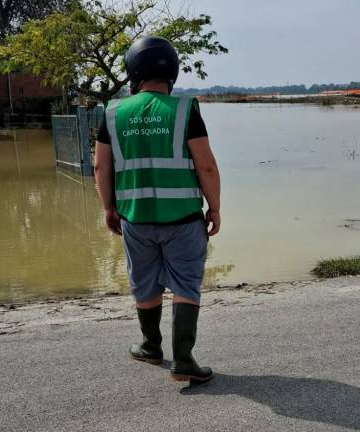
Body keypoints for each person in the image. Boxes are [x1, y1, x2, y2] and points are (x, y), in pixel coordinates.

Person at [94, 35, 221, 384]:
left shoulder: (114, 112)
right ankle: (184, 359)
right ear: (172, 73)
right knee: (185, 283)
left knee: (144, 281)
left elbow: (101, 167)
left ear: (134, 73)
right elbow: (206, 166)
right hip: (183, 218)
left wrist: (108, 208)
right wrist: (215, 208)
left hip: (135, 218)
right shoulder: (185, 109)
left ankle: (151, 347)